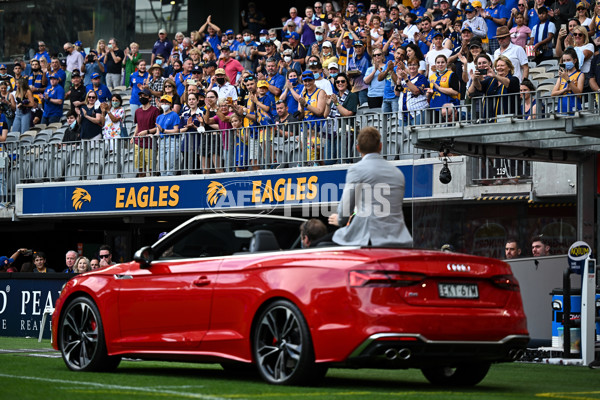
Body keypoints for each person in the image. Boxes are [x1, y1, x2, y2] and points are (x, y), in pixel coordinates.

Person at [328, 127, 413, 247]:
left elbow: (346, 208)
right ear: (380, 146)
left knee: (321, 244)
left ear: (358, 148)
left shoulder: (357, 169)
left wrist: (340, 219)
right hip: (400, 238)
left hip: (371, 239)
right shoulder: (397, 173)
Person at [132, 88, 161, 177]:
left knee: (152, 169)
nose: (142, 97)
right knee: (140, 168)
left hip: (150, 143)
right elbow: (138, 125)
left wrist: (147, 132)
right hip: (138, 142)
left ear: (150, 98)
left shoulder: (155, 110)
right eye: (140, 96)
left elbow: (157, 127)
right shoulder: (137, 111)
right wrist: (133, 136)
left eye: (144, 96)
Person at [551, 48, 584, 114]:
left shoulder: (580, 74)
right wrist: (565, 90)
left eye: (568, 60)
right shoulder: (561, 76)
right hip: (561, 109)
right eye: (564, 60)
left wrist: (567, 79)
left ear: (575, 60)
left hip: (574, 108)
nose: (566, 62)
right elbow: (553, 94)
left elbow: (578, 93)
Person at [156, 94, 181, 176]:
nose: (164, 104)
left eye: (167, 102)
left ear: (170, 104)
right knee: (162, 165)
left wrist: (164, 130)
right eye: (162, 102)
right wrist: (152, 135)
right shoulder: (159, 117)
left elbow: (176, 130)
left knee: (171, 165)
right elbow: (157, 132)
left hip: (172, 141)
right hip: (162, 141)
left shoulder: (174, 115)